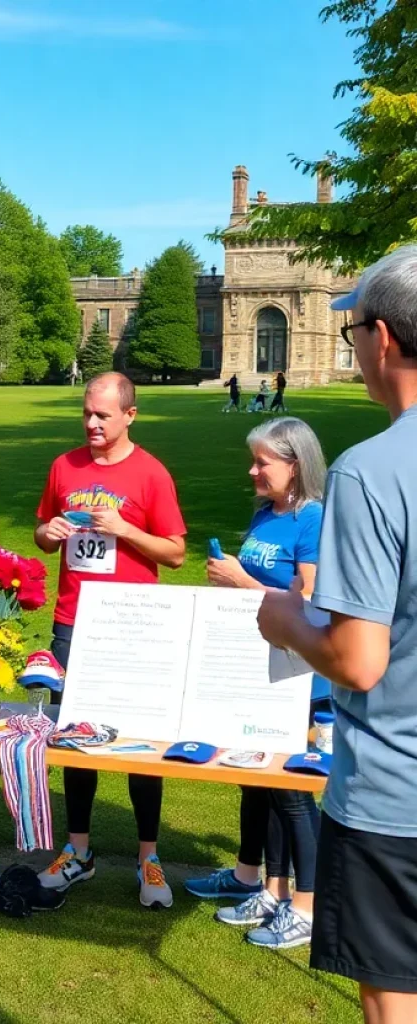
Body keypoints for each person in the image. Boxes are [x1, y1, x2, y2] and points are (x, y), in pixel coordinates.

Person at [257, 246, 417, 1023]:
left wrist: (285, 618)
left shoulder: (371, 469)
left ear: (380, 339)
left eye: (351, 328)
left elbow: (357, 660)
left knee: (393, 1003)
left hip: (395, 797)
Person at [33, 372, 187, 909]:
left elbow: (173, 553)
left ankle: (149, 858)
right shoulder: (63, 466)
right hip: (73, 622)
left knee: (139, 745)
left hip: (132, 627)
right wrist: (47, 533)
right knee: (75, 741)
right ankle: (78, 852)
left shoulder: (150, 474)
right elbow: (41, 531)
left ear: (129, 415)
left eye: (103, 415)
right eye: (87, 414)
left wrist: (124, 530)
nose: (93, 423)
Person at [185, 417, 327, 949]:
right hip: (252, 670)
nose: (253, 470)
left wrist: (240, 581)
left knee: (291, 791)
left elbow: (308, 599)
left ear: (295, 465)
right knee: (257, 782)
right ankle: (269, 887)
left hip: (296, 676)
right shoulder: (265, 513)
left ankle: (307, 907)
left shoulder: (313, 518)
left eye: (263, 462)